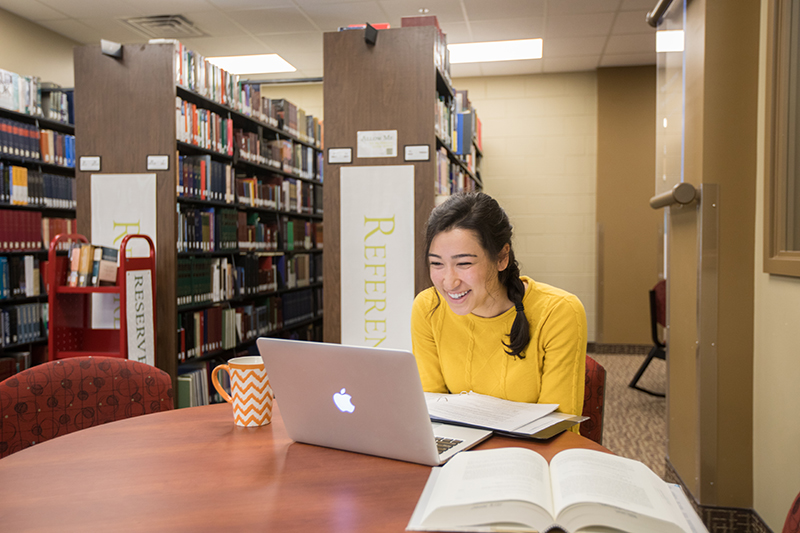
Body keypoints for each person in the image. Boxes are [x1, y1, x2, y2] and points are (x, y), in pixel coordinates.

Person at [411, 191, 587, 422]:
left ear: (502, 257)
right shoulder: (428, 307)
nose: (449, 281)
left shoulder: (559, 312)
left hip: (527, 453)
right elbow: (431, 410)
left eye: (463, 263)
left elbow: (559, 427)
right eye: (437, 263)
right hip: (457, 451)